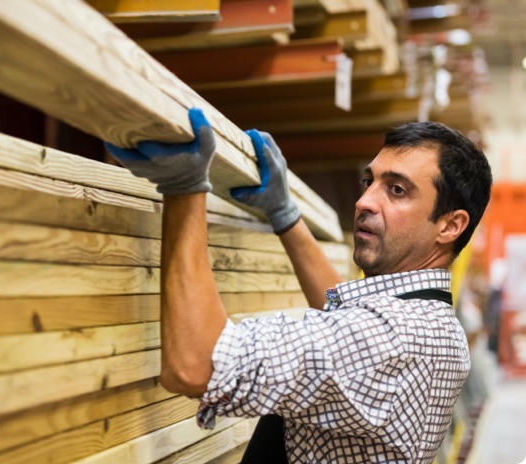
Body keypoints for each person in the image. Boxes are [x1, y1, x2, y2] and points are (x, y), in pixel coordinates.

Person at [106, 108, 492, 463]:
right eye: (369, 181)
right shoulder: (429, 321)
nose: (364, 201)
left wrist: (184, 187)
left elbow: (196, 366)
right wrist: (285, 215)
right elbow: (345, 322)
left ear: (450, 225)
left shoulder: (394, 336)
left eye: (397, 190)